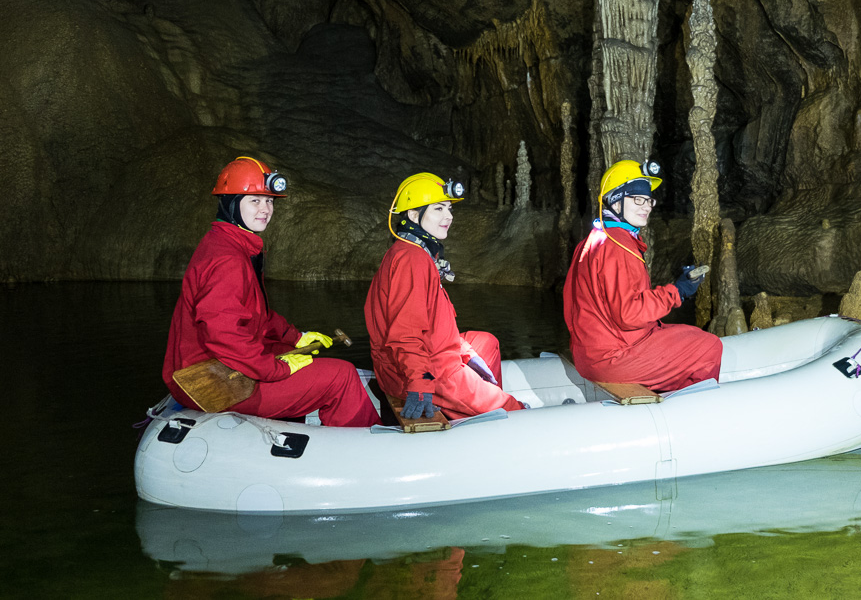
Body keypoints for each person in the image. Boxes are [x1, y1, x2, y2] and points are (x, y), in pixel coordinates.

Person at [162, 156, 380, 428]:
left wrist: (296, 338)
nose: (266, 209)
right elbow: (223, 335)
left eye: (269, 201)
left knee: (295, 352)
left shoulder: (231, 244)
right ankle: (361, 450)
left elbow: (256, 314)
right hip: (210, 381)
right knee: (342, 375)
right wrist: (277, 369)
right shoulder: (228, 259)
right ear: (231, 203)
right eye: (255, 200)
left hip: (216, 367)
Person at [365, 172, 526, 421]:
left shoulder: (413, 252)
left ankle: (474, 412)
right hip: (429, 370)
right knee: (515, 411)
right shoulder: (413, 260)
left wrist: (463, 350)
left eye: (449, 208)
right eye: (438, 209)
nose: (448, 216)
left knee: (486, 343)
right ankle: (488, 412)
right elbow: (405, 334)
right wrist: (420, 384)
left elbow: (432, 322)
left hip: (433, 354)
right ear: (413, 215)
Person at [563, 159, 723, 392]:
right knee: (709, 346)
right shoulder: (618, 245)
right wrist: (677, 291)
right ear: (614, 201)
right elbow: (629, 314)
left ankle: (669, 396)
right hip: (613, 357)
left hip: (591, 350)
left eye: (649, 200)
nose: (646, 206)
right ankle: (693, 416)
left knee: (690, 333)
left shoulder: (594, 239)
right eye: (637, 199)